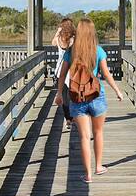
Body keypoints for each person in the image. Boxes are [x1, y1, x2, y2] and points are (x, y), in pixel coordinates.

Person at [55, 18, 125, 183]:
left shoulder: (70, 52)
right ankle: (99, 166)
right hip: (96, 95)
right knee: (98, 132)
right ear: (92, 33)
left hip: (77, 97)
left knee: (84, 137)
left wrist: (59, 94)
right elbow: (106, 74)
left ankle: (88, 175)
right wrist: (117, 90)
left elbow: (62, 74)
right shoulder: (98, 50)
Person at [51, 19, 76, 126]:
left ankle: (68, 118)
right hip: (71, 68)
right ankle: (72, 116)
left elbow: (52, 43)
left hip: (60, 68)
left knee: (64, 94)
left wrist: (58, 31)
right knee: (71, 93)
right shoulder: (73, 39)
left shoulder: (58, 39)